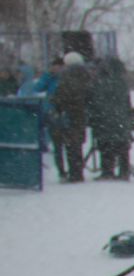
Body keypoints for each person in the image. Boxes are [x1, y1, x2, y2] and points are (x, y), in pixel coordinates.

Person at [88, 54, 134, 179]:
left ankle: (107, 171)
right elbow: (127, 102)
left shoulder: (100, 82)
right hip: (121, 118)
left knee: (106, 145)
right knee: (122, 145)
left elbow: (96, 101)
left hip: (105, 119)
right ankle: (124, 171)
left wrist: (95, 115)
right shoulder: (122, 83)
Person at [50, 51, 91, 182]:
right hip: (81, 113)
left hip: (69, 113)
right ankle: (78, 172)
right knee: (77, 143)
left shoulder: (66, 76)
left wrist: (57, 105)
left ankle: (73, 173)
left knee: (69, 145)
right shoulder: (87, 75)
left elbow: (61, 95)